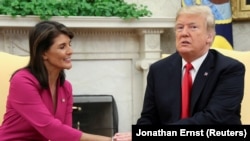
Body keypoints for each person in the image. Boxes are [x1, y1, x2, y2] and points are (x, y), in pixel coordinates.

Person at [113, 5, 245, 141]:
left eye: (193, 27)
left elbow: (213, 119)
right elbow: (148, 118)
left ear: (209, 37)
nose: (184, 33)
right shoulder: (159, 70)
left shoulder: (230, 69)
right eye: (180, 27)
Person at [0, 21, 112, 141]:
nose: (70, 51)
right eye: (62, 47)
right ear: (43, 53)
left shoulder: (65, 87)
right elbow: (51, 129)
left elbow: (65, 135)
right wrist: (109, 140)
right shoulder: (22, 81)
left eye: (70, 44)